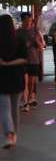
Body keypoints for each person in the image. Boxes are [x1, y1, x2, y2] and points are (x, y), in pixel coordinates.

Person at [0, 15, 28, 149]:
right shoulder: (19, 40)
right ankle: (14, 134)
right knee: (15, 108)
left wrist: (4, 64)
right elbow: (24, 59)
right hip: (17, 77)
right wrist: (10, 63)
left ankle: (9, 135)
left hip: (2, 78)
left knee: (4, 108)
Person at [16, 13, 45, 110]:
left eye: (30, 21)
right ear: (22, 21)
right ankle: (25, 102)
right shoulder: (18, 32)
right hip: (22, 60)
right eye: (27, 21)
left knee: (31, 83)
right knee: (24, 82)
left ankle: (28, 100)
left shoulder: (35, 31)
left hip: (34, 60)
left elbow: (41, 47)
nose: (29, 23)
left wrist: (37, 42)